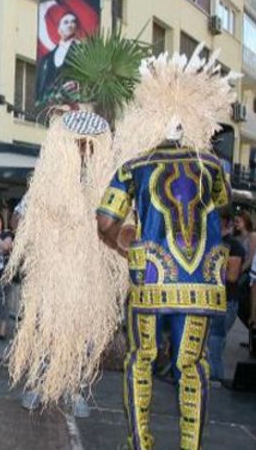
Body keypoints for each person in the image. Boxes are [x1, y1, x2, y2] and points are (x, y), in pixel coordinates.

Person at [97, 46, 236, 450]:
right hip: (201, 284)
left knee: (140, 360)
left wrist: (126, 248)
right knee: (192, 366)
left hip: (150, 281)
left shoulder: (134, 166)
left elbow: (105, 221)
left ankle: (140, 443)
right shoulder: (213, 167)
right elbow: (224, 209)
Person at [4, 106, 126, 415]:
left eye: (89, 143)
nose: (84, 149)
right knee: (46, 328)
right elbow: (20, 219)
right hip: (52, 270)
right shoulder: (47, 180)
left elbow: (114, 225)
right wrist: (38, 224)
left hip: (87, 273)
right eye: (78, 142)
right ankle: (38, 384)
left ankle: (74, 389)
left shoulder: (105, 183)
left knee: (82, 334)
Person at [207, 210, 244, 382]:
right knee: (209, 345)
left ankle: (215, 380)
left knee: (214, 345)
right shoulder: (210, 241)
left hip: (225, 302)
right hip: (211, 301)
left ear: (224, 222)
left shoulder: (234, 246)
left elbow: (232, 276)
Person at [37, 12, 79, 104]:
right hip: (49, 105)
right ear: (59, 29)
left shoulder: (81, 50)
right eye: (66, 22)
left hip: (72, 104)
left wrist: (77, 85)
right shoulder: (47, 58)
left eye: (73, 22)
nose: (70, 25)